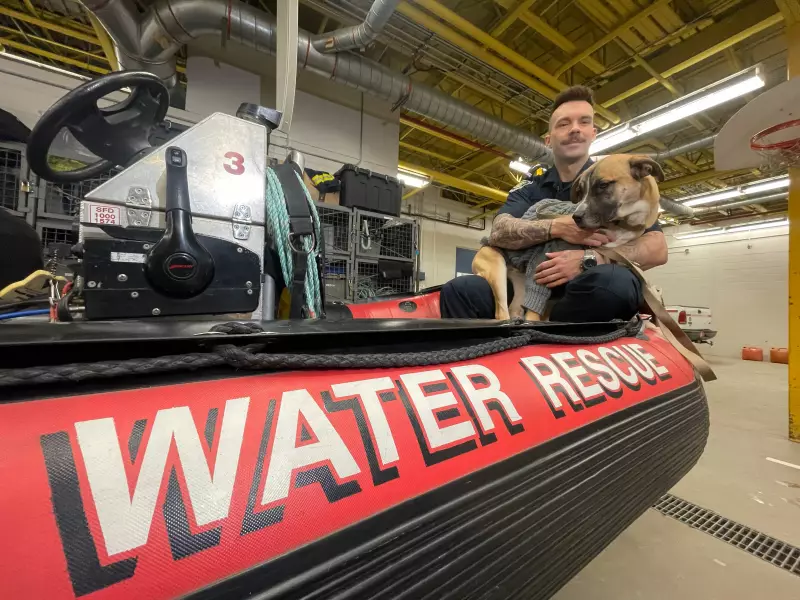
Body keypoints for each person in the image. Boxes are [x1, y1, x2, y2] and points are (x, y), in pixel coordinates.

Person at [440, 85, 668, 322]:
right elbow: (498, 232)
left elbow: (658, 248)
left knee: (614, 283)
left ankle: (561, 342)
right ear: (548, 140)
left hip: (582, 289)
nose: (575, 129)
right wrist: (557, 227)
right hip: (525, 283)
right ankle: (480, 353)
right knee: (461, 289)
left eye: (583, 122)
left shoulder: (617, 180)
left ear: (593, 133)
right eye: (564, 123)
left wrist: (590, 260)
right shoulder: (531, 188)